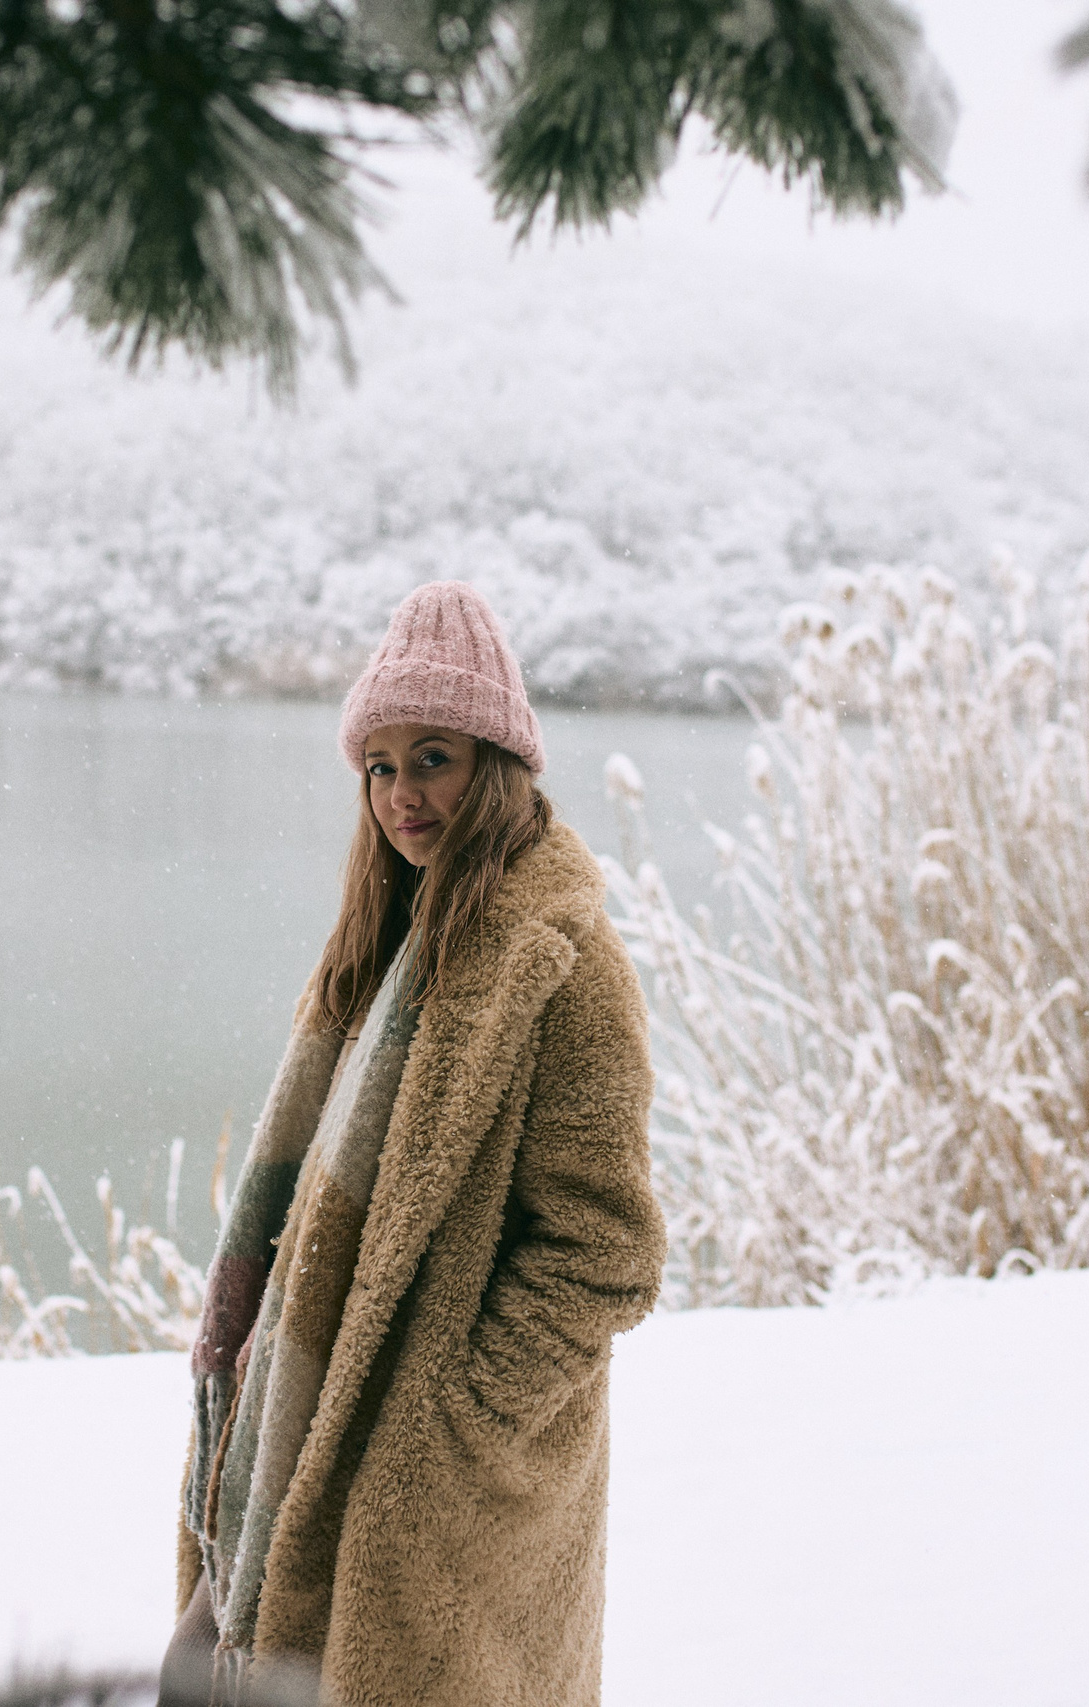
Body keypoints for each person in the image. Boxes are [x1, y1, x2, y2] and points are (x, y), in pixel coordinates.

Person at [161, 581, 666, 1707]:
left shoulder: (558, 961)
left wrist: (440, 1436)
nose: (402, 795)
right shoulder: (381, 950)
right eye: (379, 766)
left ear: (496, 762)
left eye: (430, 756)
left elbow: (606, 1252)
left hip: (431, 1485)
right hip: (302, 1431)